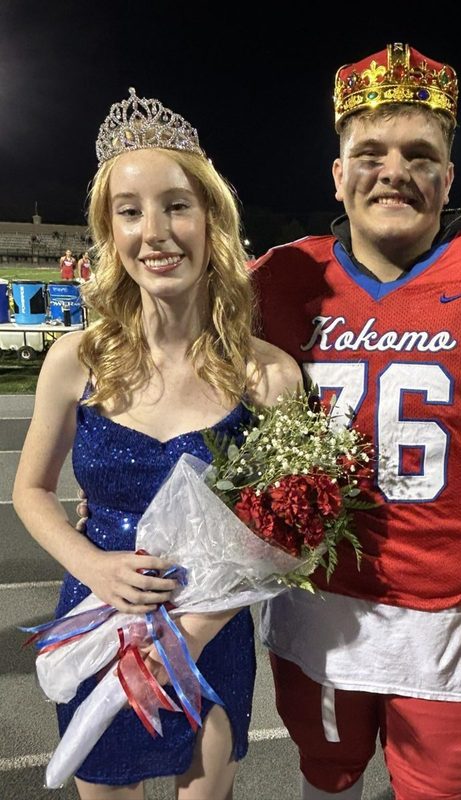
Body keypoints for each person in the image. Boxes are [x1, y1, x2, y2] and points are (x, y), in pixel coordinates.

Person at [251, 43, 461, 800]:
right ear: (338, 177)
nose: (394, 170)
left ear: (448, 177)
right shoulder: (278, 279)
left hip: (454, 624)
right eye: (369, 152)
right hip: (318, 618)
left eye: (420, 154)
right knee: (327, 780)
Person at [13, 88, 300, 800]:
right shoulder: (74, 360)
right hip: (99, 621)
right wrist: (94, 564)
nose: (156, 232)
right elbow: (31, 490)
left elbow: (290, 530)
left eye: (177, 205)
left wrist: (195, 628)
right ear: (109, 230)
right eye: (130, 210)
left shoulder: (267, 375)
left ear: (212, 220)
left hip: (211, 630)